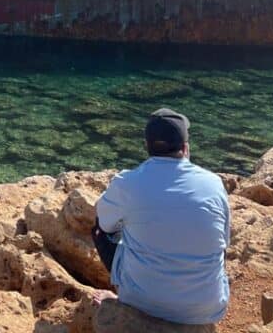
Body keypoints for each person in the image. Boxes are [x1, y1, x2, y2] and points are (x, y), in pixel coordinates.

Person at [93, 107, 230, 325]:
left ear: (146, 146)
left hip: (142, 303)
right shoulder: (214, 183)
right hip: (207, 309)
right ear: (185, 147)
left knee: (100, 228)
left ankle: (123, 296)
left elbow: (105, 225)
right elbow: (224, 243)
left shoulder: (127, 183)